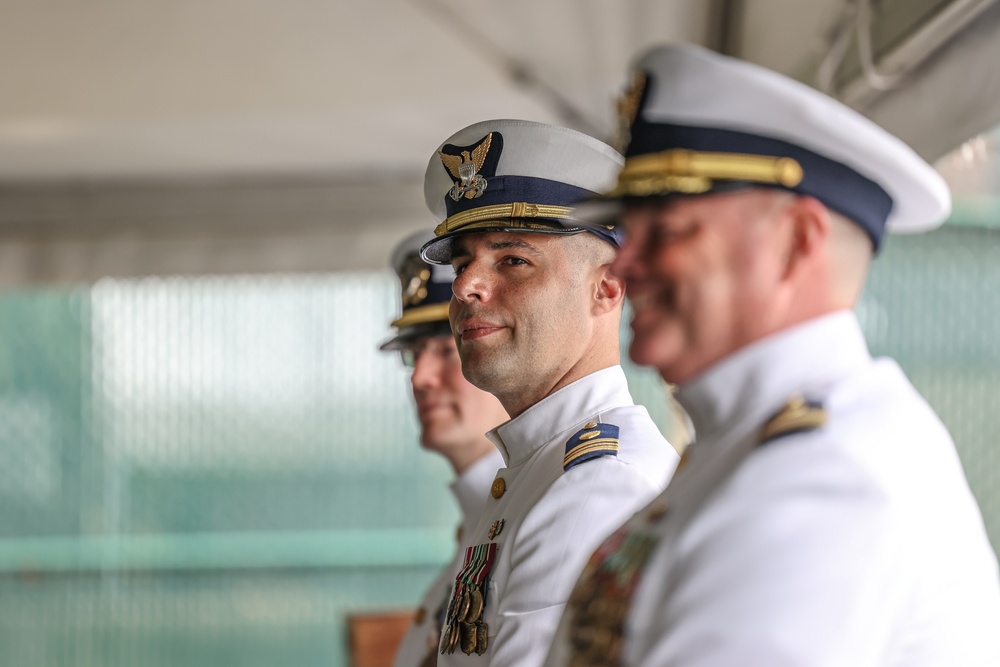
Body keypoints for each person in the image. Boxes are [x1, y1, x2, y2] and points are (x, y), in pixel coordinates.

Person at [544, 43, 1000, 667]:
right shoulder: (755, 442)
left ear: (797, 241)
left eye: (667, 229)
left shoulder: (828, 476)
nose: (623, 261)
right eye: (626, 228)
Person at [419, 119, 679, 667]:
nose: (465, 285)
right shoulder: (544, 466)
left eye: (512, 260)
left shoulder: (597, 482)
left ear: (605, 289)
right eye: (463, 261)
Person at [379, 231, 509, 667]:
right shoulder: (483, 517)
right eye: (414, 356)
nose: (420, 378)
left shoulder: (538, 503)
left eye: (444, 349)